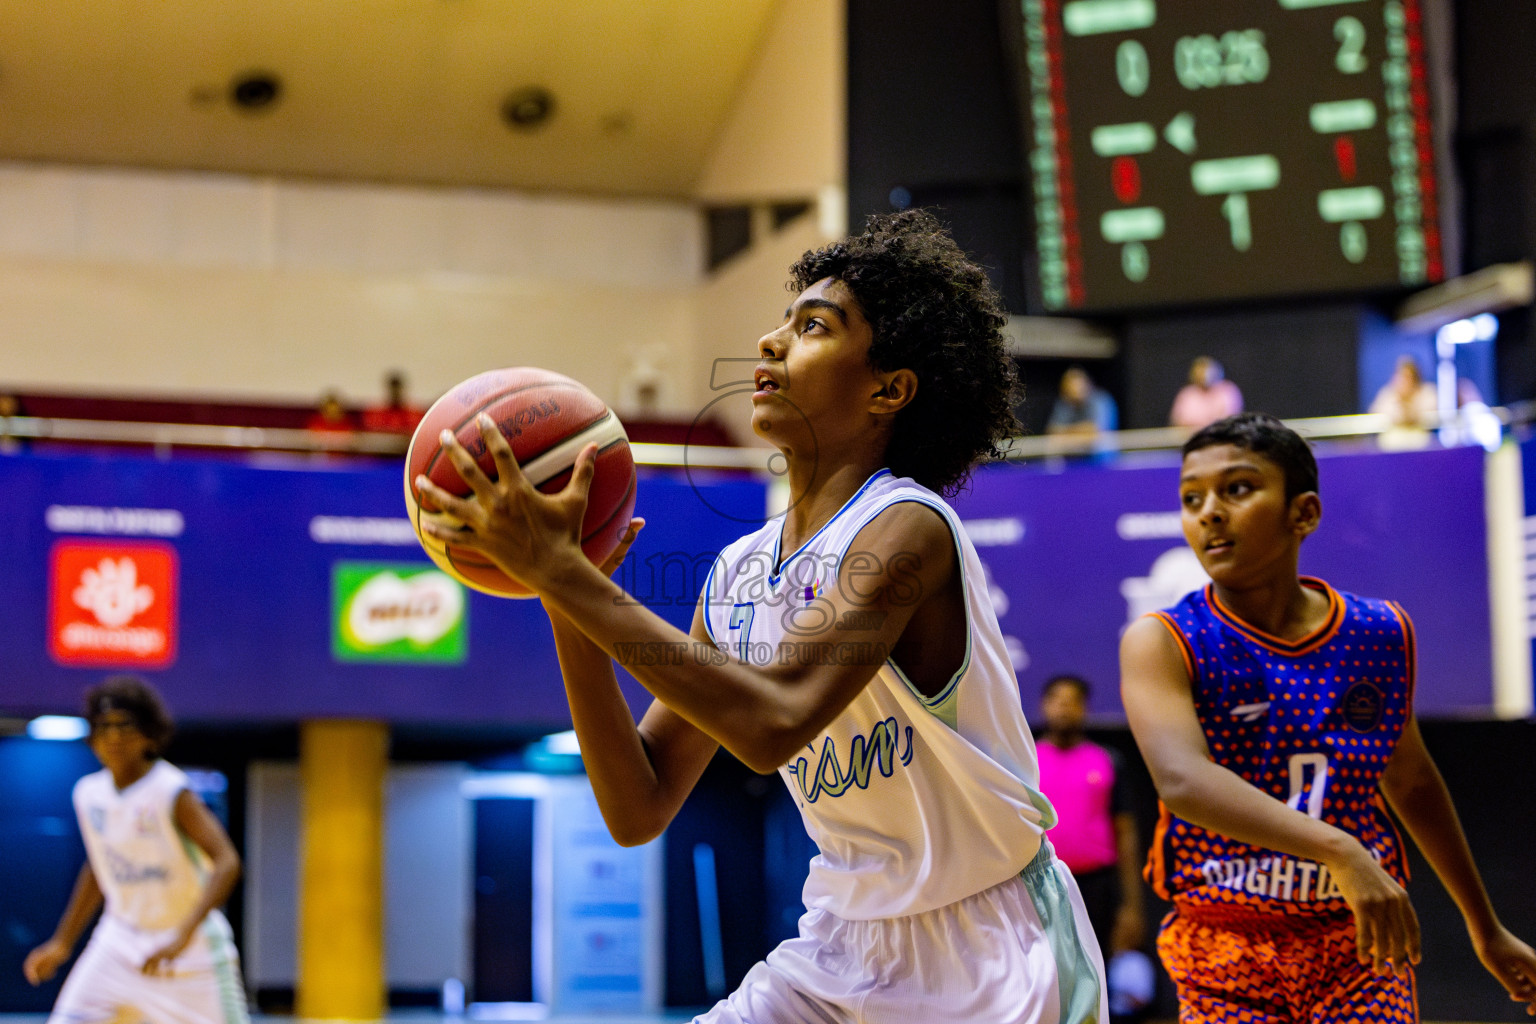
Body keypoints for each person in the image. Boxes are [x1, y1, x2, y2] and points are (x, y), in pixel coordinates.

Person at [416, 209, 1108, 1023]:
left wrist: (567, 575)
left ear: (889, 388)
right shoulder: (740, 570)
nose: (772, 342)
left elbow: (773, 722)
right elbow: (638, 806)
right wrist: (568, 596)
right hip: (843, 946)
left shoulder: (907, 529)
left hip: (991, 952)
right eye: (781, 321)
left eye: (813, 326)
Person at [1119, 412, 1536, 1023]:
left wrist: (1486, 927)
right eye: (1191, 497)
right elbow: (1183, 783)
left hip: (1358, 944)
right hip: (1222, 944)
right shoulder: (1163, 640)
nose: (1208, 511)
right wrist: (1341, 850)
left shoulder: (1379, 632)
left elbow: (1412, 782)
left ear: (1304, 513)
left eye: (1236, 488)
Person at [23, 676, 251, 1024]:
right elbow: (99, 867)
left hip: (190, 955)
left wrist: (183, 933)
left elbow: (227, 862)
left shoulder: (170, 790)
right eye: (104, 726)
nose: (113, 736)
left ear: (149, 734)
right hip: (117, 944)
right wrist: (62, 942)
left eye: (124, 726)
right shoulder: (88, 793)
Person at [1035, 675, 1145, 971]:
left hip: (1097, 888)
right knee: (1046, 971)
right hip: (1041, 884)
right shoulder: (1026, 760)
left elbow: (1125, 832)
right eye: (1057, 701)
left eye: (1072, 702)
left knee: (1096, 969)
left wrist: (1131, 905)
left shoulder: (1106, 760)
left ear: (1085, 709)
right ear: (1043, 707)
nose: (1064, 708)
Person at [1169, 356, 1242, 430]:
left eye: (1207, 371)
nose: (1204, 375)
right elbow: (1179, 420)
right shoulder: (1187, 394)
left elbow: (1229, 420)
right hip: (1192, 437)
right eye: (1199, 371)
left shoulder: (1228, 391)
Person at [1047, 367, 1118, 438]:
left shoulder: (1100, 400)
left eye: (1077, 386)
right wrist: (1080, 430)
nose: (1074, 391)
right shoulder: (1066, 403)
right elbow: (1053, 430)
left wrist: (1067, 431)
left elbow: (1095, 429)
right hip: (1073, 446)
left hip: (1100, 447)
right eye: (1068, 389)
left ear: (1086, 384)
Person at [360, 369, 425, 434]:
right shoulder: (377, 414)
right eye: (393, 390)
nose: (395, 393)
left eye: (397, 390)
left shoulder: (413, 414)